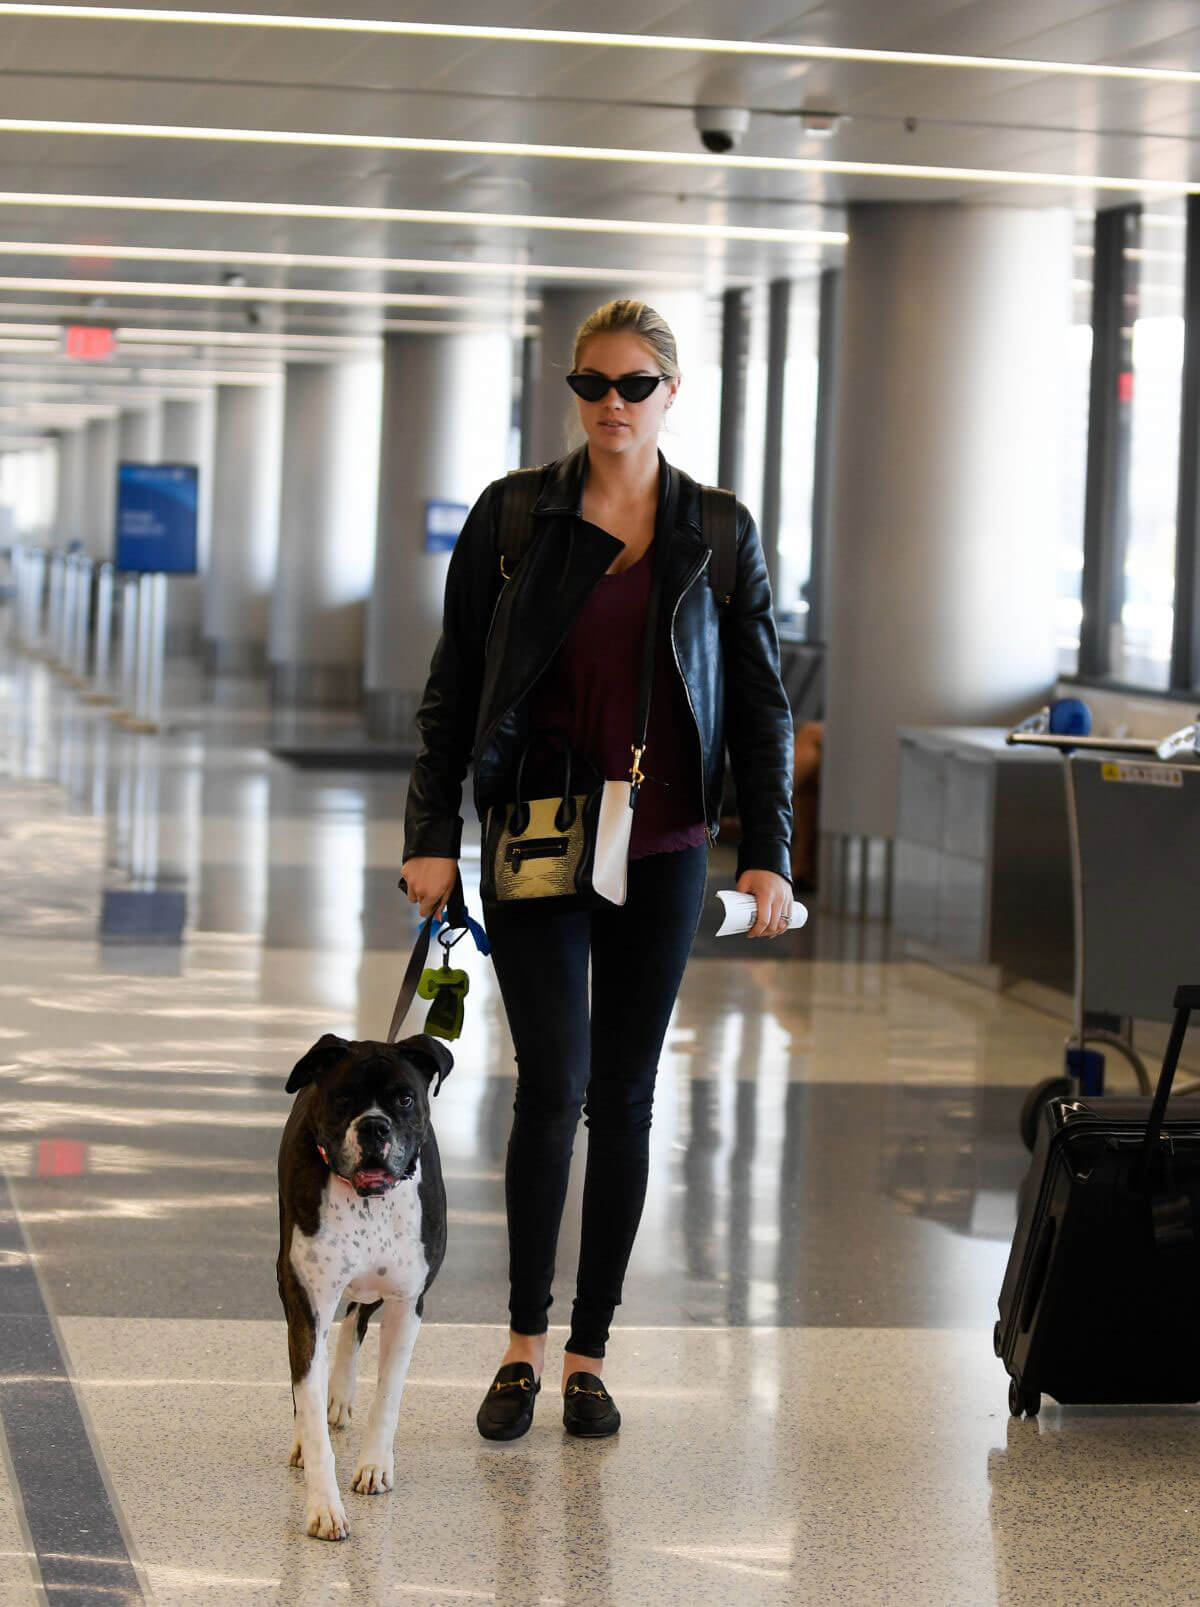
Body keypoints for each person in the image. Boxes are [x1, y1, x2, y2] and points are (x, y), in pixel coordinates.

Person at [400, 298, 793, 1441]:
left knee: (625, 1093)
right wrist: (432, 830)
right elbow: (455, 681)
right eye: (591, 385)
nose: (610, 405)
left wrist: (767, 850)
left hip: (666, 841)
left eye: (633, 385)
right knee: (551, 1084)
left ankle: (589, 1349)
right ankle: (522, 1340)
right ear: (570, 391)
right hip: (536, 829)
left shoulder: (717, 531)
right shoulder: (517, 512)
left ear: (673, 394)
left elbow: (763, 703)